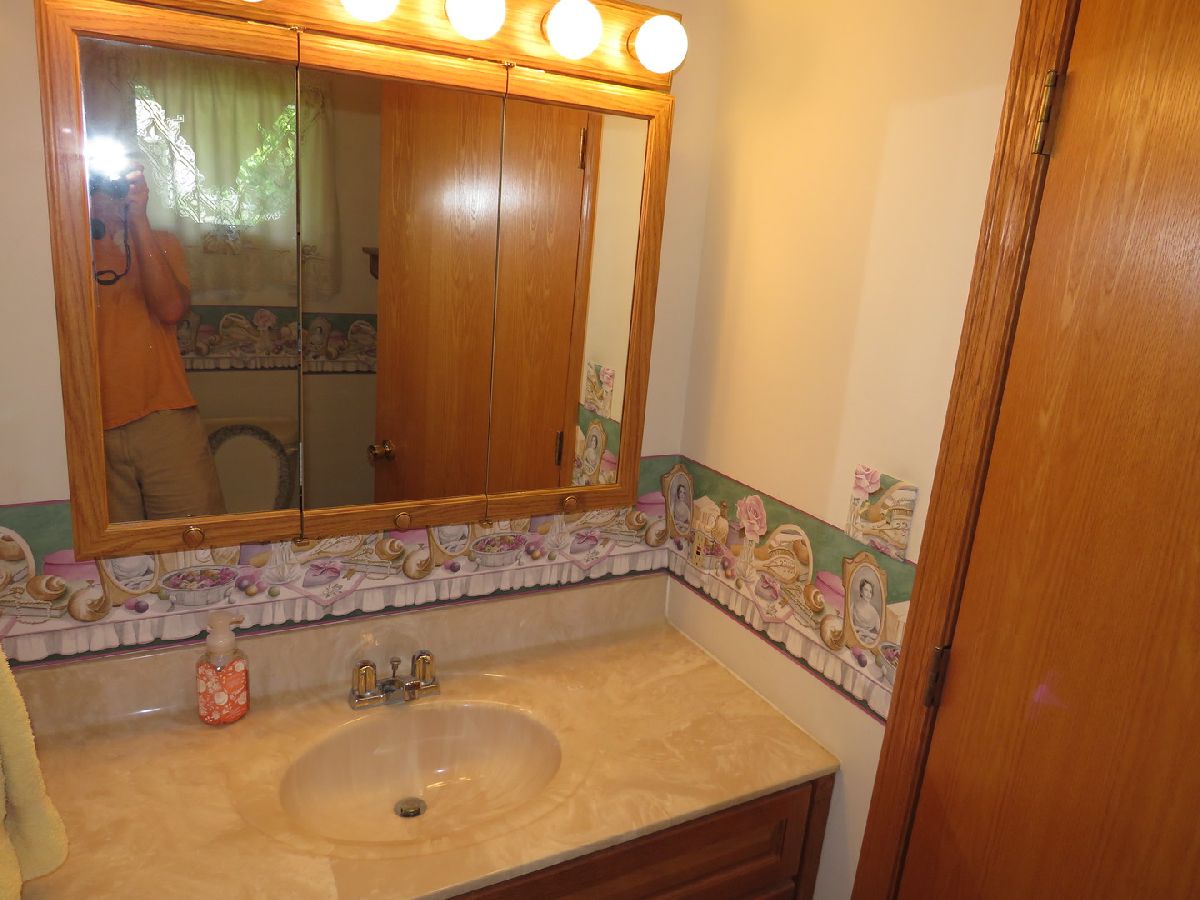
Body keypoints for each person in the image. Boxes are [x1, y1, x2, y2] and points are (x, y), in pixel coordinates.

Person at [90, 162, 225, 522]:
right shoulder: (64, 251)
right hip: (89, 424)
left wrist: (138, 219)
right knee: (117, 553)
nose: (104, 192)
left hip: (164, 417)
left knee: (196, 541)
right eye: (93, 184)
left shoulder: (159, 242)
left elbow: (171, 309)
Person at [852, 577, 882, 645]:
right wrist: (861, 629)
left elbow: (880, 636)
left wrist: (867, 634)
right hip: (854, 637)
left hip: (867, 642)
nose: (868, 594)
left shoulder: (874, 613)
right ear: (861, 592)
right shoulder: (854, 606)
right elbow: (848, 624)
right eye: (866, 590)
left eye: (870, 592)